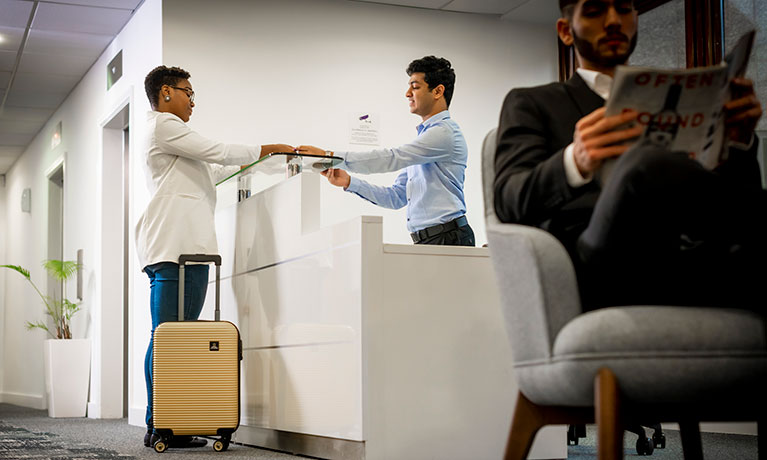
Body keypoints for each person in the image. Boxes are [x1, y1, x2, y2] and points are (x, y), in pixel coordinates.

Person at [494, 0, 764, 311]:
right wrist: (574, 160)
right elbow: (507, 199)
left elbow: (742, 198)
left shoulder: (684, 96)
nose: (613, 21)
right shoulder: (532, 103)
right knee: (642, 163)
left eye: (624, 9)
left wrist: (739, 141)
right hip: (600, 260)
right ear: (566, 31)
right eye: (595, 11)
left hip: (690, 254)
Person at [136, 65, 293, 448]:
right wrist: (268, 149)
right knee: (170, 337)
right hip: (178, 247)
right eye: (188, 92)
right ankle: (163, 425)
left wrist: (268, 161)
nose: (193, 101)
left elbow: (217, 162)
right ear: (166, 93)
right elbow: (218, 151)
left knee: (167, 336)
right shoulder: (164, 126)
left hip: (175, 245)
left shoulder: (170, 135)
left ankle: (161, 421)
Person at [297, 56, 475, 246]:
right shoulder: (425, 139)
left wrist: (330, 157)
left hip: (448, 237)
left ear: (438, 91)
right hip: (431, 238)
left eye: (415, 87)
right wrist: (349, 182)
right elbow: (396, 197)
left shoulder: (444, 133)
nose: (407, 94)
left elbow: (392, 158)